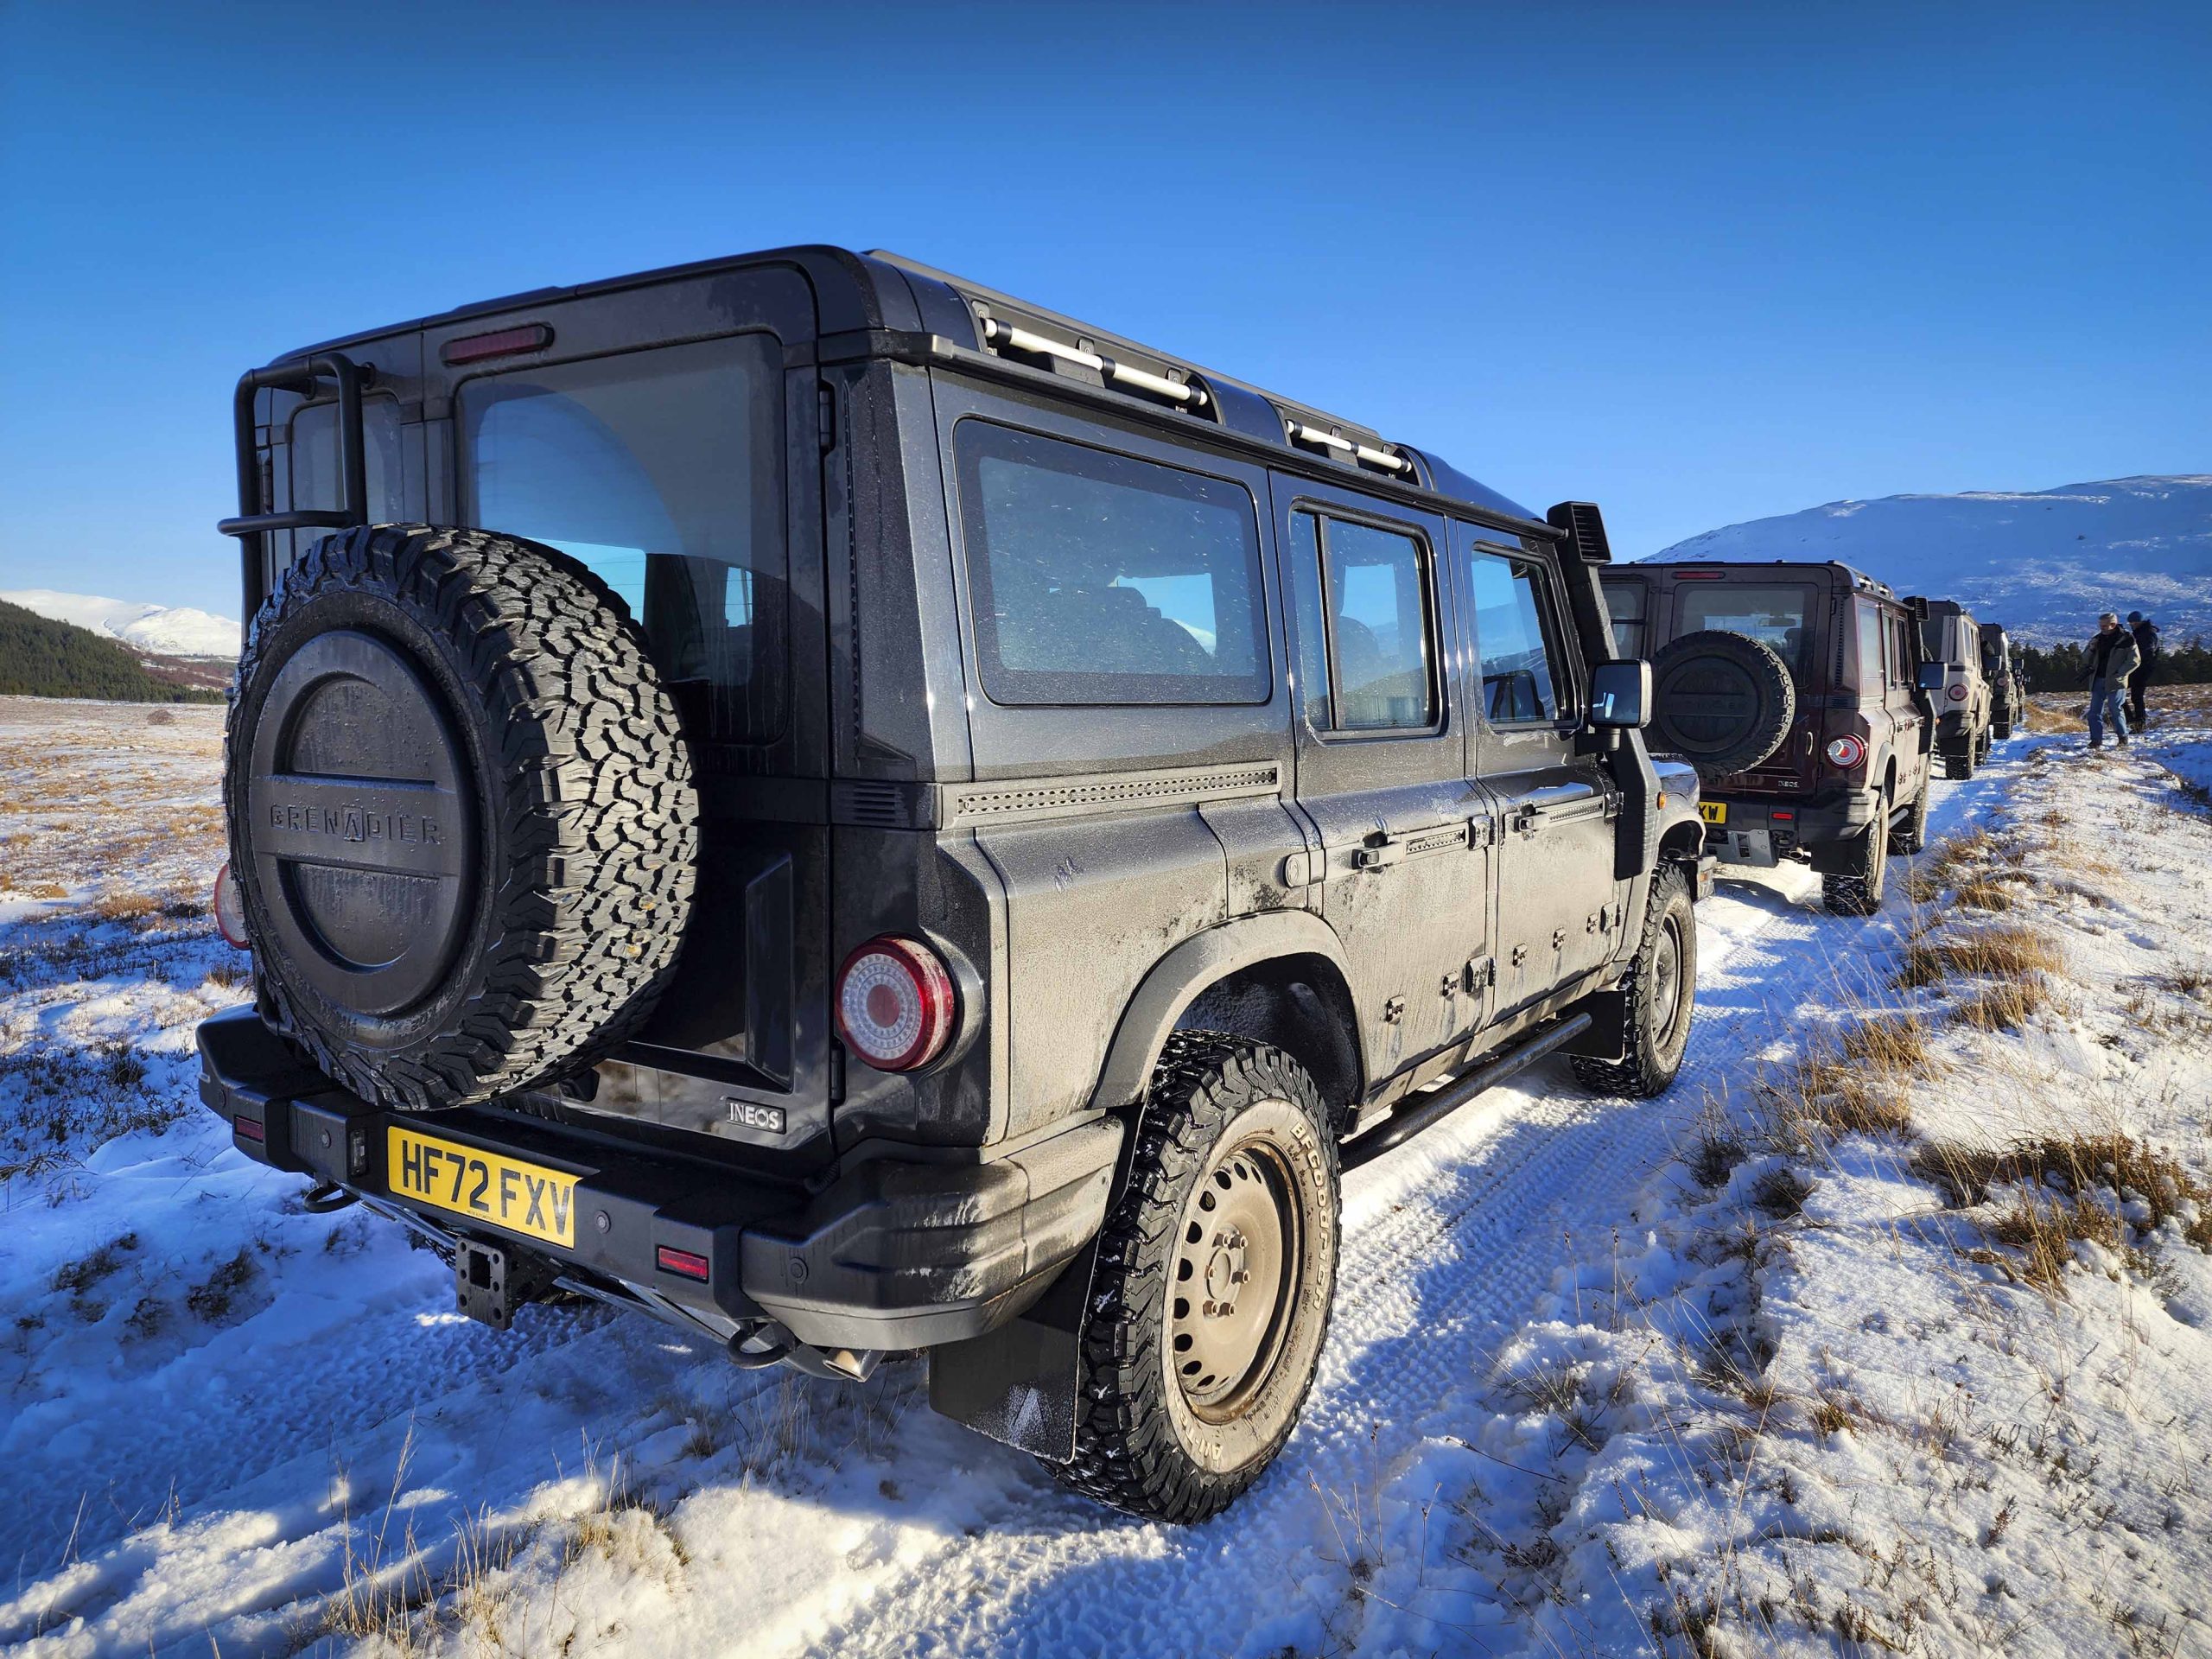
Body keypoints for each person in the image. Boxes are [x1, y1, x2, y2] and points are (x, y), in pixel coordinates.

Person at [2084, 612, 2139, 748]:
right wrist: (2091, 649)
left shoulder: (2127, 639)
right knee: (2094, 712)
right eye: (2100, 626)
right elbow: (2085, 658)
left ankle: (2123, 737)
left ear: (2113, 625)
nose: (2101, 628)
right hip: (2098, 679)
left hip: (2116, 681)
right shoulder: (2097, 640)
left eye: (2104, 626)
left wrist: (2119, 674)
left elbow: (2134, 660)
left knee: (2116, 709)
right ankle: (2096, 740)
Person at [2126, 610, 2160, 729]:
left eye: (2134, 623)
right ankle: (2135, 722)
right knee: (2133, 696)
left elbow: (2146, 651)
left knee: (2136, 696)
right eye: (2131, 623)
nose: (2132, 625)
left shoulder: (2148, 634)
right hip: (2138, 668)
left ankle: (2138, 724)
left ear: (2140, 622)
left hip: (2142, 669)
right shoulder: (2141, 633)